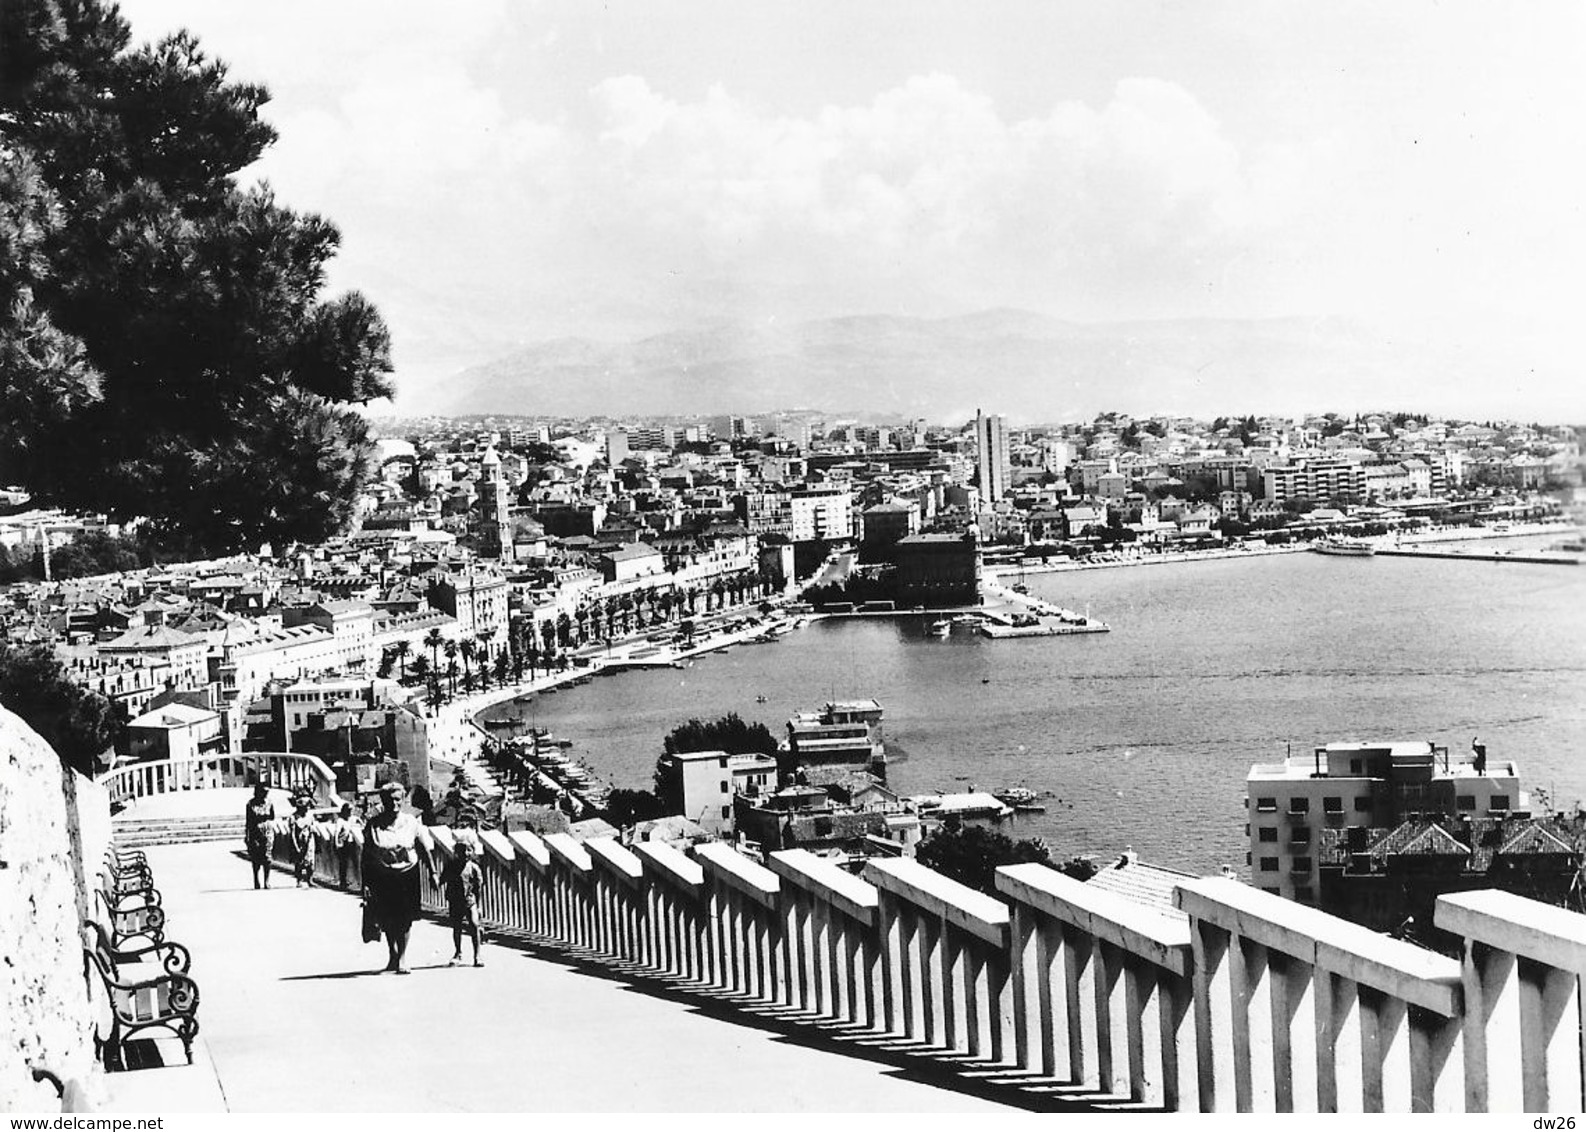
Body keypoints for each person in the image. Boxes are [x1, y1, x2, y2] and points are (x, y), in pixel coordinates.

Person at [361, 781, 434, 974]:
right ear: (383, 801)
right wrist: (365, 884)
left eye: (397, 800)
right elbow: (366, 856)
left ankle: (401, 958)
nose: (394, 804)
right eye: (389, 800)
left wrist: (433, 872)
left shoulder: (411, 822)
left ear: (402, 800)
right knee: (386, 918)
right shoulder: (374, 825)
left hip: (407, 874)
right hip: (382, 875)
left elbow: (423, 848)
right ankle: (392, 956)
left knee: (405, 918)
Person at [441, 837, 485, 967]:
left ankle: (477, 955)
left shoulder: (474, 868)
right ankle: (458, 952)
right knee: (457, 926)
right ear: (456, 852)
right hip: (455, 901)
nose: (465, 853)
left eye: (469, 850)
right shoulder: (450, 866)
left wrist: (479, 906)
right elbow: (443, 879)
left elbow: (478, 888)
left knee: (474, 924)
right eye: (461, 851)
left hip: (470, 900)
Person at [244, 782, 276, 890]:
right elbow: (248, 821)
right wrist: (247, 836)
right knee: (256, 858)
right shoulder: (250, 804)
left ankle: (267, 880)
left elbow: (272, 816)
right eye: (263, 792)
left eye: (267, 792)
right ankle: (256, 879)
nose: (265, 794)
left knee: (267, 857)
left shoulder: (269, 803)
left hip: (267, 832)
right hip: (255, 832)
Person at [287, 794, 318, 887]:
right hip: (299, 841)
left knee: (310, 861)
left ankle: (310, 879)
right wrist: (295, 845)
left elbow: (313, 829)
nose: (307, 808)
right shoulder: (294, 817)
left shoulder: (310, 816)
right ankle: (299, 879)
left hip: (309, 841)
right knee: (299, 861)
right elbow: (292, 833)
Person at [331, 802, 363, 890]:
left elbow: (359, 821)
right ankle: (343, 882)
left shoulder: (351, 819)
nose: (350, 812)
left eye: (351, 810)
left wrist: (360, 822)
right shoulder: (340, 820)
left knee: (353, 863)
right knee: (343, 864)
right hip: (343, 844)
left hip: (351, 843)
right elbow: (336, 832)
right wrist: (336, 843)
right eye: (349, 810)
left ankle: (353, 881)